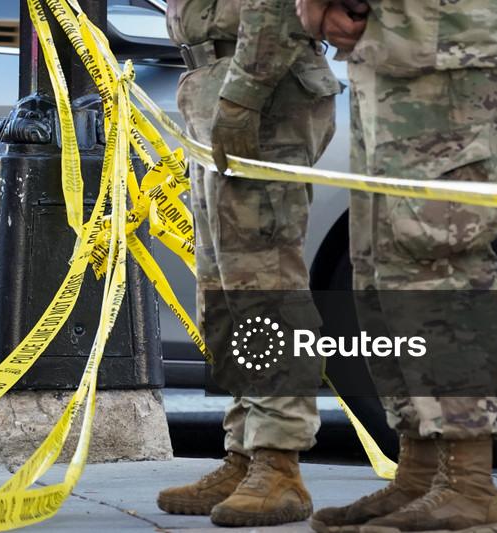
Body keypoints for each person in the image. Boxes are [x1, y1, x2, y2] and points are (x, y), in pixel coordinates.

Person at [296, 1, 497, 532]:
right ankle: (421, 472)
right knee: (382, 269)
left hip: (445, 46)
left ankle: (469, 485)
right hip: (388, 48)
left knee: (438, 264)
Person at [158, 0, 340, 527]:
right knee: (226, 291)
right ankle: (244, 452)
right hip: (216, 81)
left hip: (262, 82)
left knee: (264, 288)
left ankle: (278, 464)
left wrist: (244, 92)